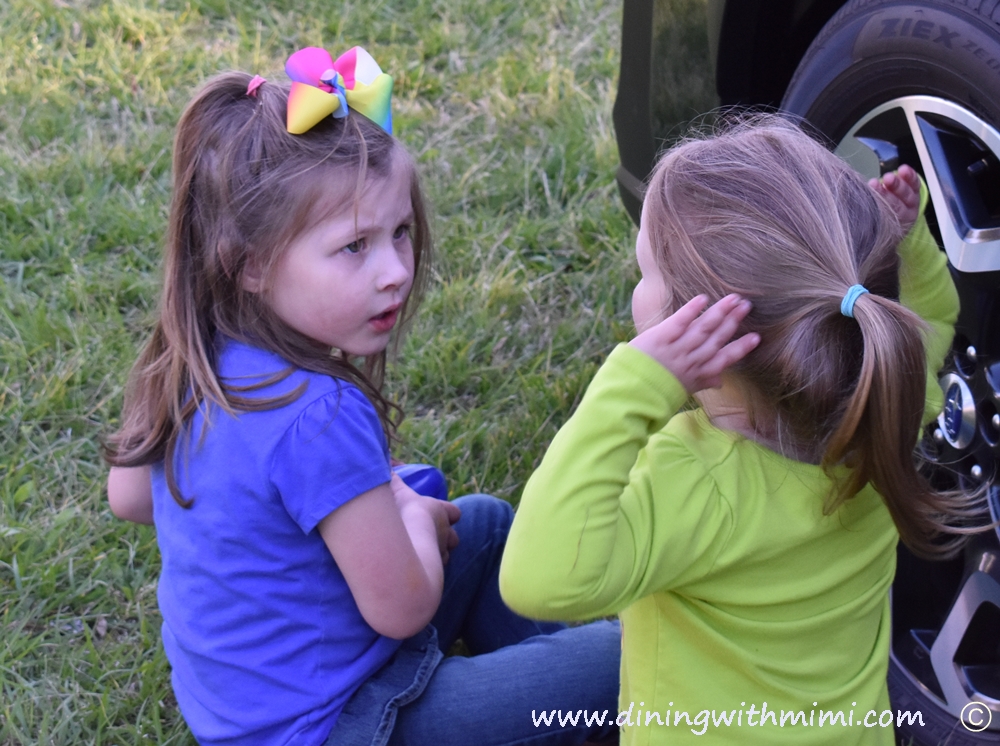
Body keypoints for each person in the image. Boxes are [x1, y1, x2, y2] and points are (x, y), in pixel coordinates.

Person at [104, 46, 619, 746]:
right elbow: (404, 608)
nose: (394, 272)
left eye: (400, 233)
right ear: (251, 265)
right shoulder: (319, 413)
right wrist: (406, 513)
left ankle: (567, 723)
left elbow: (130, 498)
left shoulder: (195, 359)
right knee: (616, 658)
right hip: (343, 723)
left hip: (245, 712)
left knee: (488, 524)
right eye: (354, 247)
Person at [498, 117, 987, 745]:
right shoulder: (884, 410)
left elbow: (540, 577)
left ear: (697, 330)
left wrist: (633, 385)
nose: (636, 286)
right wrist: (907, 241)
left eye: (645, 271)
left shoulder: (694, 481)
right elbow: (934, 324)